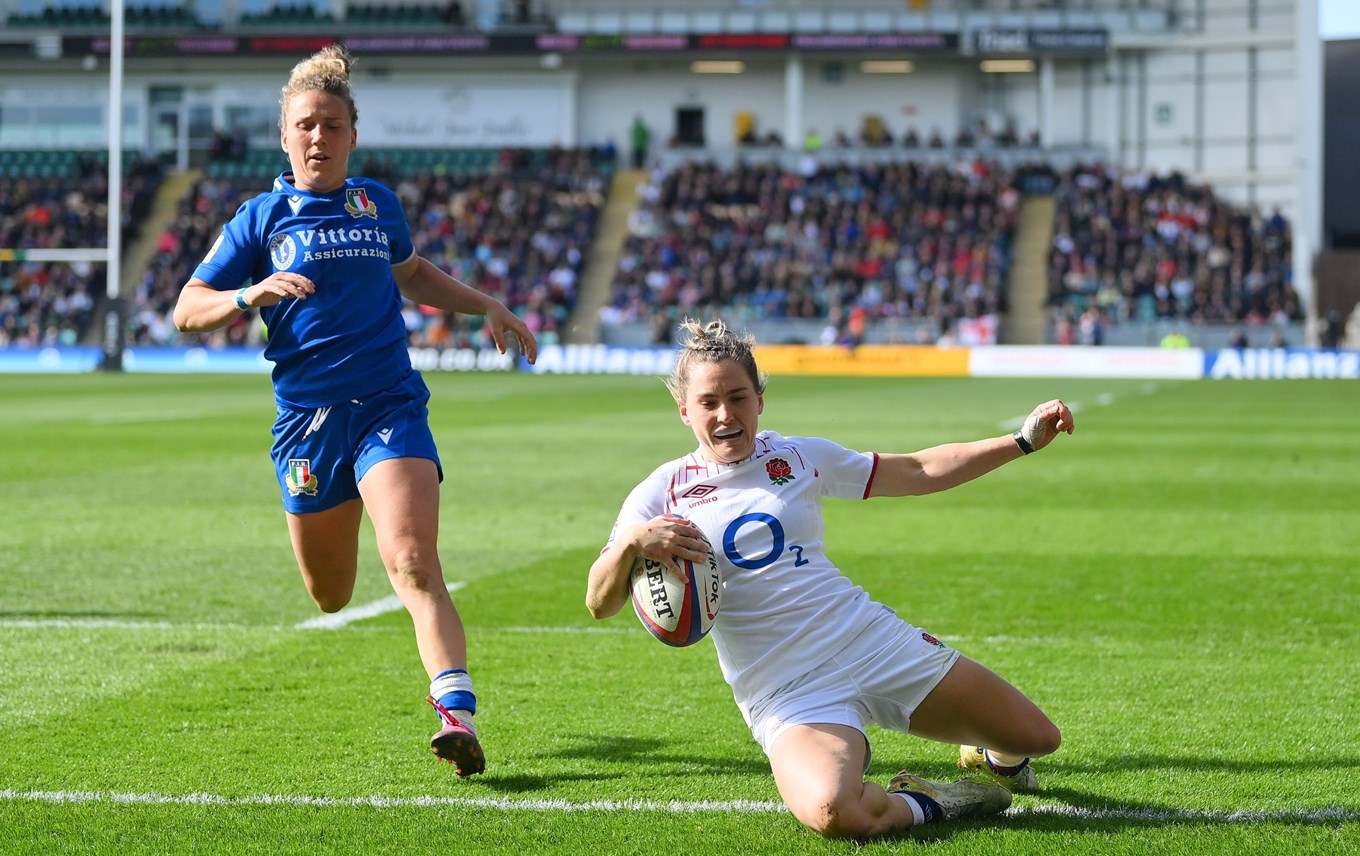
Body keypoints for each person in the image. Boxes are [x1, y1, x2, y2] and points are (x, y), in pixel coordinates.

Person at [172, 45, 538, 778]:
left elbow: (409, 273)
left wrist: (483, 304)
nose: (318, 137)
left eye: (332, 125)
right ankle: (438, 689)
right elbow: (187, 309)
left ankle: (455, 714)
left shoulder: (376, 205)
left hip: (388, 406)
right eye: (305, 124)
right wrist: (251, 294)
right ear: (284, 136)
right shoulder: (260, 217)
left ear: (351, 136)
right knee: (331, 594)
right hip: (306, 423)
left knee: (411, 562)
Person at [586, 320, 1072, 839]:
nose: (725, 415)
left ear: (760, 400)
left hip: (868, 640)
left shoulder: (799, 457)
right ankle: (942, 799)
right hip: (785, 689)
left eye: (738, 397)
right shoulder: (661, 492)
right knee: (837, 813)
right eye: (708, 402)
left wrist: (1020, 442)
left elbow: (918, 471)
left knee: (1039, 737)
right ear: (685, 411)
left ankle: (993, 761)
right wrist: (632, 544)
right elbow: (599, 600)